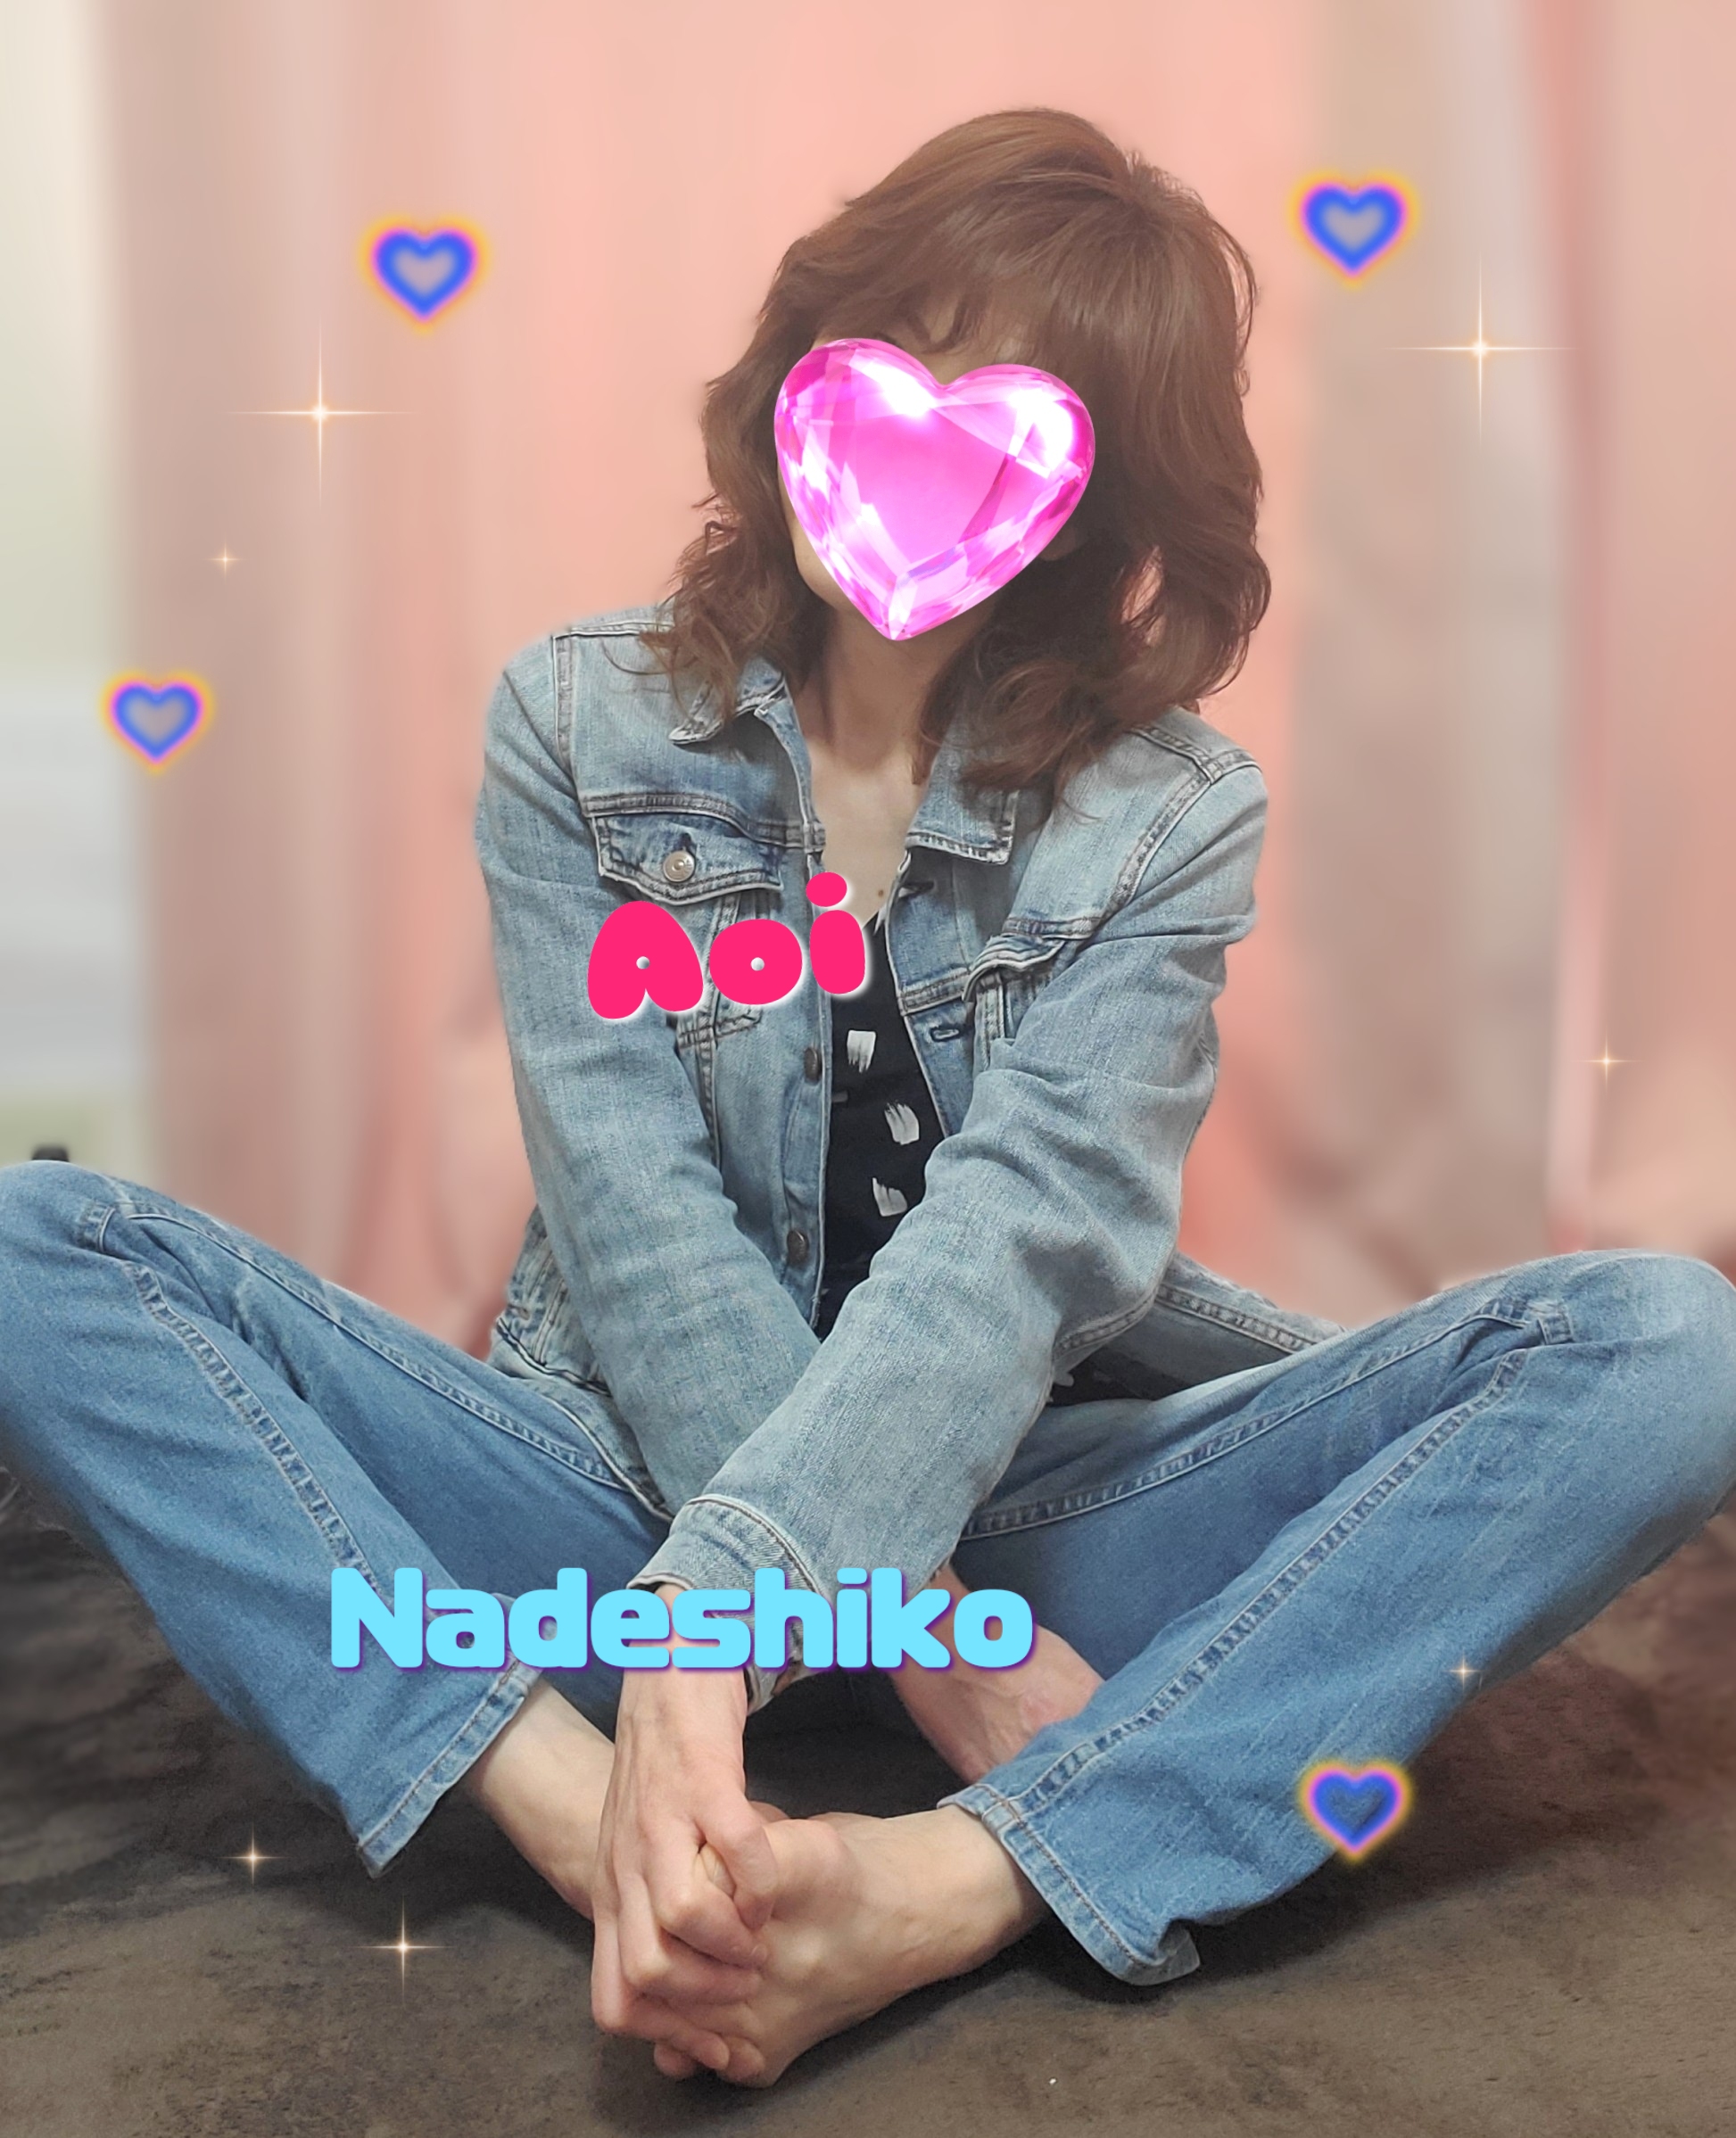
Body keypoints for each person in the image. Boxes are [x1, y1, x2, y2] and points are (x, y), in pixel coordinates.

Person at [2, 108, 1734, 2091]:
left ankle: (963, 1881)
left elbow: (1020, 1245)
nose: (923, 453)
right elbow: (635, 1221)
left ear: (1099, 500)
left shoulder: (1168, 815)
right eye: (902, 362)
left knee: (1664, 1349)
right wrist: (896, 1654)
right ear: (803, 361)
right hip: (619, 1522)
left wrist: (897, 1640)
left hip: (1031, 1521)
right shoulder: (576, 723)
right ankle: (574, 1812)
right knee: (34, 1248)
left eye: (1014, 419)